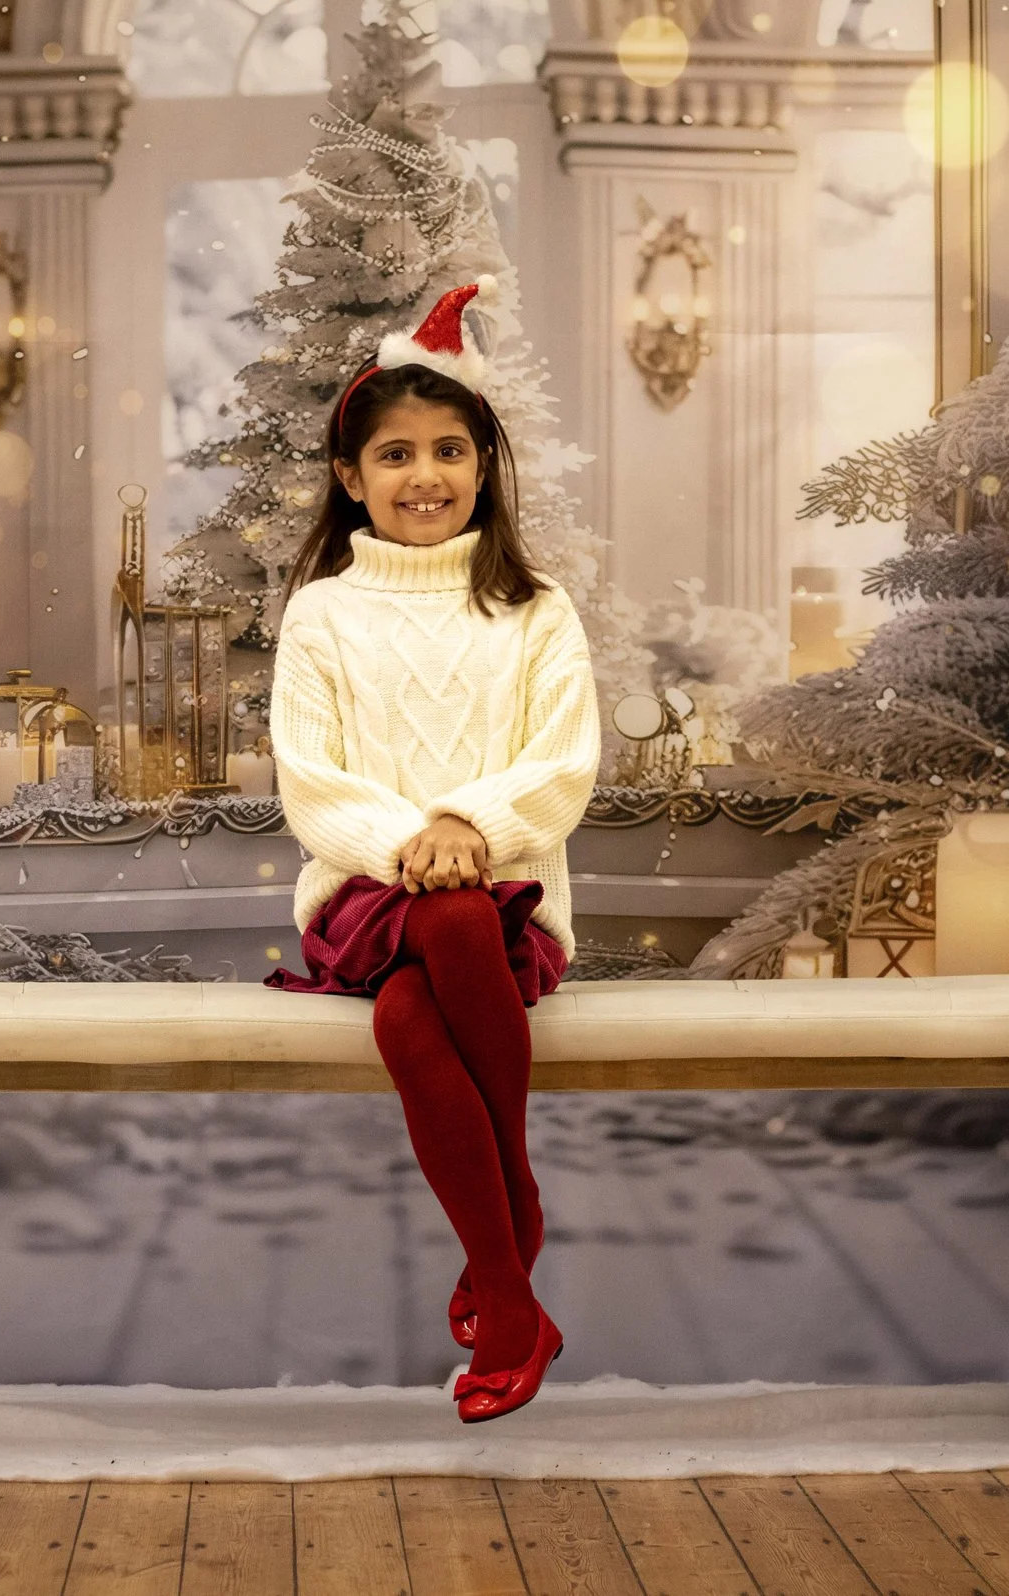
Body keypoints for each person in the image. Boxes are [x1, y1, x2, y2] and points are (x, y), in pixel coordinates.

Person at [263, 283, 601, 1425]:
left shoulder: (537, 608)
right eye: (395, 454)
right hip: (364, 897)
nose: (425, 475)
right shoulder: (321, 613)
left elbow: (564, 761)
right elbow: (311, 780)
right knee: (442, 920)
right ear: (351, 477)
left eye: (450, 449)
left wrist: (471, 827)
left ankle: (504, 1282)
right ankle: (515, 1245)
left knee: (418, 1009)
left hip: (505, 909)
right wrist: (412, 840)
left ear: (485, 464)